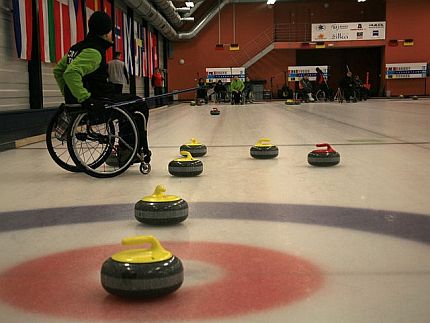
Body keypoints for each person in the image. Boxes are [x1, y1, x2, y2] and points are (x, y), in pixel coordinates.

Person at [53, 11, 150, 163]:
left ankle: (127, 150)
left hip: (84, 99)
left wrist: (69, 95)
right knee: (138, 104)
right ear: (105, 33)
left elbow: (59, 70)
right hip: (97, 99)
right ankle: (128, 151)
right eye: (111, 31)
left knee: (130, 102)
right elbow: (70, 73)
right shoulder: (94, 51)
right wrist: (84, 98)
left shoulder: (76, 48)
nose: (112, 34)